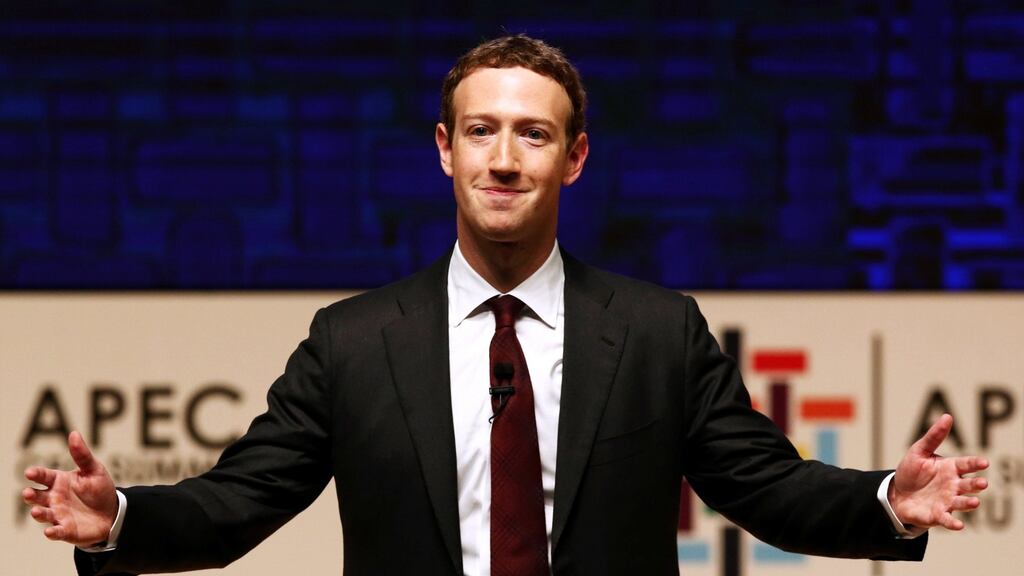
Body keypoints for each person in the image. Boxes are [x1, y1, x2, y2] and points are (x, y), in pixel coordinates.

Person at [23, 34, 989, 576]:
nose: (503, 157)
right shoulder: (352, 343)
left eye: (534, 134)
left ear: (573, 159)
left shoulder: (658, 332)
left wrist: (884, 503)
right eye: (481, 130)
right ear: (444, 149)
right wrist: (120, 523)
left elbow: (764, 487)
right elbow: (238, 502)